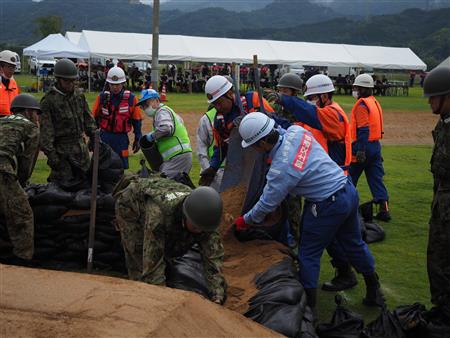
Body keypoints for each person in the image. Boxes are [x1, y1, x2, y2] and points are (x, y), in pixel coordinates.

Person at [234, 112, 385, 313]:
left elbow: (266, 204)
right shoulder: (297, 132)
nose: (254, 150)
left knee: (308, 253)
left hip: (327, 204)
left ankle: (308, 309)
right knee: (353, 243)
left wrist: (245, 221)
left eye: (253, 145)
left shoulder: (281, 170)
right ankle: (374, 289)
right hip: (347, 190)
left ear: (262, 144)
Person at [114, 174, 226, 304]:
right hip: (131, 205)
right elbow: (152, 261)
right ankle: (140, 300)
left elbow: (213, 258)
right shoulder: (158, 214)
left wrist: (217, 294)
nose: (200, 231)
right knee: (139, 256)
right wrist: (163, 301)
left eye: (203, 228)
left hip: (165, 205)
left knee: (172, 249)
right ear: (185, 215)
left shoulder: (205, 218)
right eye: (196, 227)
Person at [199, 75, 274, 186]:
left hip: (269, 161)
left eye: (219, 102)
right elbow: (222, 146)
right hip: (245, 168)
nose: (218, 107)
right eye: (214, 104)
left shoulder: (253, 101)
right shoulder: (220, 121)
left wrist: (251, 119)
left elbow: (274, 123)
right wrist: (213, 167)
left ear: (229, 94)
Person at [40, 58, 97, 188]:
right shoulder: (48, 101)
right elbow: (45, 135)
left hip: (81, 150)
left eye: (73, 80)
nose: (71, 84)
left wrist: (94, 137)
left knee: (87, 186)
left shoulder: (78, 95)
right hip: (62, 154)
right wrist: (53, 158)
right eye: (67, 81)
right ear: (58, 79)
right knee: (63, 191)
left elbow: (88, 120)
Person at [0, 94, 41, 263]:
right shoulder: (31, 128)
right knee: (23, 215)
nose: (38, 117)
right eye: (36, 113)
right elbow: (27, 162)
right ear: (28, 111)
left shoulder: (2, 120)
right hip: (3, 171)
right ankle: (22, 259)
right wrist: (21, 183)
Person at [423, 66, 450, 315]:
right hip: (441, 204)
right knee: (437, 257)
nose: (430, 102)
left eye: (434, 96)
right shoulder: (444, 124)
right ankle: (442, 309)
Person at [349, 73, 390, 221]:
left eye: (357, 88)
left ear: (362, 89)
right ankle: (384, 210)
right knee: (376, 179)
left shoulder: (361, 105)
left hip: (362, 145)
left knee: (349, 178)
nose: (355, 90)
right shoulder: (374, 102)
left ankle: (347, 208)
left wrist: (360, 150)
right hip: (375, 146)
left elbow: (364, 129)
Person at [92, 66, 142, 169]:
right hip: (104, 136)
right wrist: (92, 138)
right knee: (101, 165)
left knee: (120, 166)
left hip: (121, 138)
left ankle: (118, 184)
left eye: (117, 84)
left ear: (123, 83)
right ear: (108, 84)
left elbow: (136, 120)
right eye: (112, 84)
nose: (115, 87)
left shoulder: (131, 99)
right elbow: (94, 118)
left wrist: (138, 138)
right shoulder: (101, 97)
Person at [137, 89, 192, 178]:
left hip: (177, 157)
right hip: (179, 156)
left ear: (156, 101)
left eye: (146, 105)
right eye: (142, 107)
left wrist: (150, 137)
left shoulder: (162, 112)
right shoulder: (165, 112)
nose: (144, 108)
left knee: (163, 185)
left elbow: (166, 128)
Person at [0, 50, 20, 116]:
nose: (12, 70)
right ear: (0, 67)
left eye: (13, 67)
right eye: (9, 67)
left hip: (12, 121)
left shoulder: (14, 84)